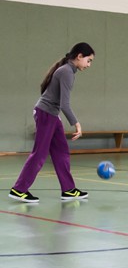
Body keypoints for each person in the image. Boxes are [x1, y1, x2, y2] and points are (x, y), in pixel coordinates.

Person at [8, 42, 95, 203]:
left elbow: (58, 102)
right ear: (79, 56)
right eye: (88, 60)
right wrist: (76, 123)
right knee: (40, 153)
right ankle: (19, 189)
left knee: (61, 151)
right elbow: (64, 104)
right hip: (46, 114)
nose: (89, 65)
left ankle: (68, 189)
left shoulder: (68, 70)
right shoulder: (67, 72)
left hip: (51, 115)